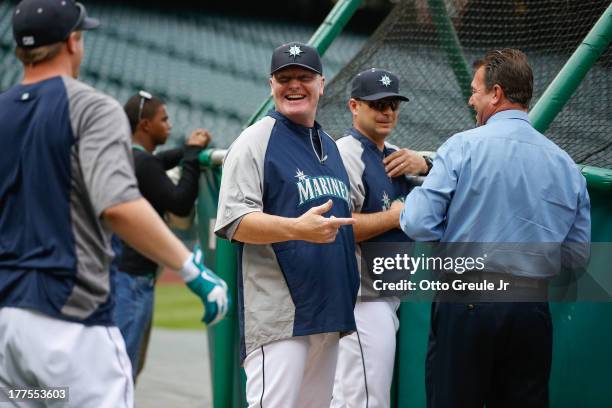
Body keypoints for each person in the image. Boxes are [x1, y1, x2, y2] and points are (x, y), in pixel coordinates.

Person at [0, 1, 228, 407]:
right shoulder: (92, 107)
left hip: (7, 328)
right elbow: (119, 205)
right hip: (70, 324)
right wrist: (192, 270)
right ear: (73, 41)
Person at [400, 49, 591, 407]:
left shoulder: (461, 146)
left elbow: (417, 222)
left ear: (496, 93)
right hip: (530, 309)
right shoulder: (566, 166)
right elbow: (576, 257)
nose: (472, 98)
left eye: (475, 90)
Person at [214, 42, 360, 408]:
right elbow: (235, 219)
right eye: (284, 78)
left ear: (322, 84)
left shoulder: (330, 146)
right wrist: (298, 229)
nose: (294, 85)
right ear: (271, 84)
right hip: (281, 316)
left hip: (328, 312)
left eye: (304, 77)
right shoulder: (254, 141)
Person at [332, 68, 430, 408]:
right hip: (360, 297)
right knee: (364, 400)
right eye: (377, 104)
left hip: (383, 295)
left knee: (355, 396)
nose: (387, 111)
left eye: (392, 103)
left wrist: (427, 164)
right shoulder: (346, 152)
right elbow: (338, 226)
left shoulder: (396, 153)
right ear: (354, 106)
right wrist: (394, 215)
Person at [113, 91, 213, 381]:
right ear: (145, 125)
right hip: (132, 282)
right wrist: (193, 158)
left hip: (122, 276)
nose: (169, 125)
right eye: (164, 119)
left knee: (122, 369)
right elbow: (180, 201)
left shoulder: (130, 156)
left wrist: (189, 148)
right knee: (122, 373)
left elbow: (159, 162)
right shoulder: (143, 164)